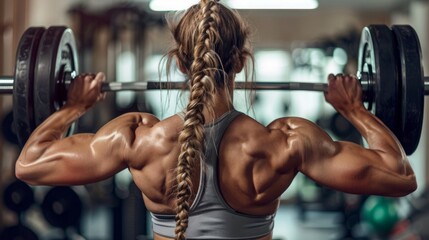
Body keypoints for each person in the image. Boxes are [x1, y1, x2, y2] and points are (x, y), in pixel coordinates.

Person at [15, 0, 417, 239]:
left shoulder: (138, 139)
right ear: (242, 61)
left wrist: (74, 106)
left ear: (178, 62)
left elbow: (30, 164)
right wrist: (355, 110)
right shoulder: (285, 143)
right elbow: (399, 176)